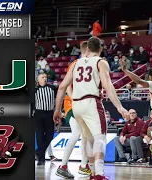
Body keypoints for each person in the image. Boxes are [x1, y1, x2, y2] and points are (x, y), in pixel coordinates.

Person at [53, 37, 128, 180]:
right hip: (91, 102)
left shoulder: (75, 64)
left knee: (88, 139)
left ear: (88, 49)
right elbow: (107, 86)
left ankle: (92, 172)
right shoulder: (101, 62)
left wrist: (57, 109)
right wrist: (119, 107)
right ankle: (99, 174)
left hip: (76, 105)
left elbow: (62, 86)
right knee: (100, 138)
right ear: (100, 49)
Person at [55, 41, 93, 178]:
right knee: (77, 133)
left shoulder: (90, 65)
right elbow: (68, 86)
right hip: (72, 104)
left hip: (83, 104)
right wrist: (75, 100)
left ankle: (83, 166)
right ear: (88, 51)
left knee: (86, 135)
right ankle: (63, 165)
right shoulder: (75, 64)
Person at [35, 73, 57, 165]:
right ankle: (41, 159)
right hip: (39, 114)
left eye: (45, 77)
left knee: (49, 136)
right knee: (40, 137)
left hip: (49, 114)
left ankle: (38, 152)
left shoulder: (52, 88)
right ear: (38, 80)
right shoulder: (35, 90)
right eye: (42, 77)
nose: (45, 79)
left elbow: (57, 99)